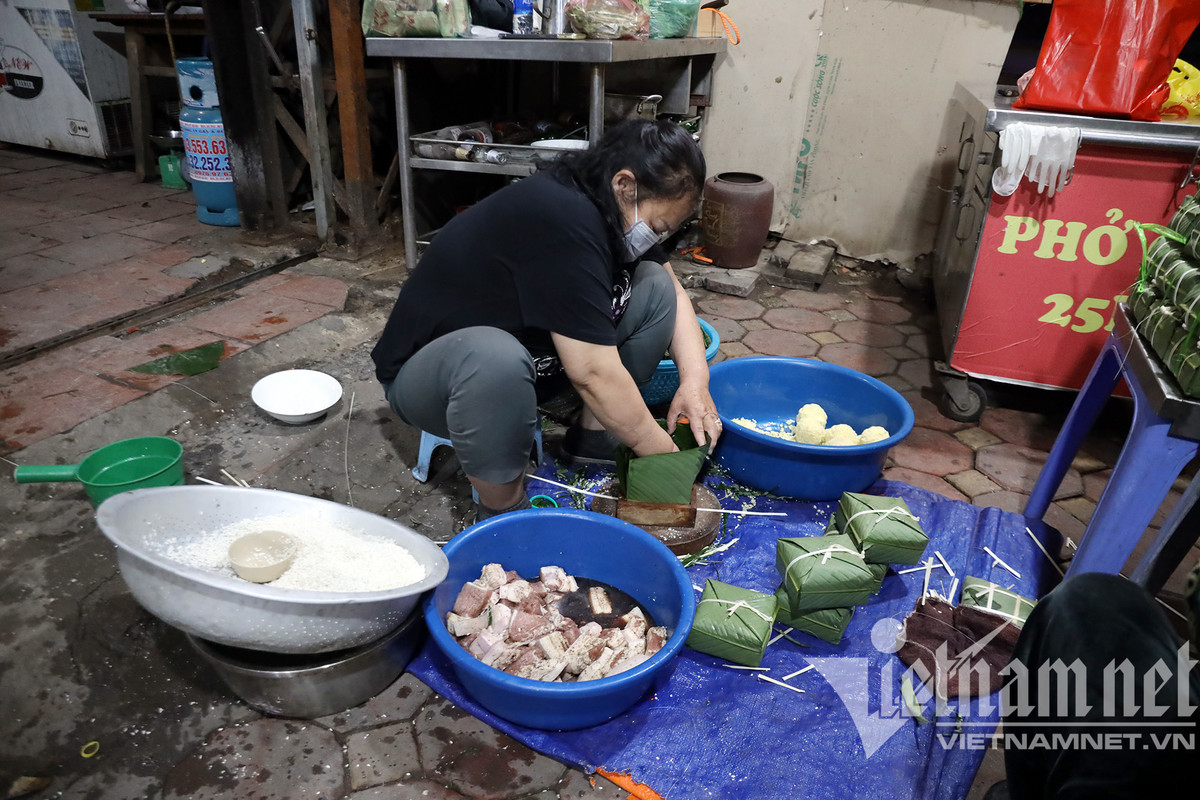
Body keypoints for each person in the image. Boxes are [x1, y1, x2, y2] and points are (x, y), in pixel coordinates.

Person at [371, 118, 722, 521]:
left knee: (653, 286)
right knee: (494, 358)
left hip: (531, 364)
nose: (655, 239)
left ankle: (595, 438)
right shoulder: (562, 217)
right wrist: (662, 456)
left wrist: (696, 382)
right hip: (437, 381)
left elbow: (674, 293)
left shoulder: (608, 202)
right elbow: (592, 371)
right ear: (625, 185)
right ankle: (501, 507)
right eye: (657, 227)